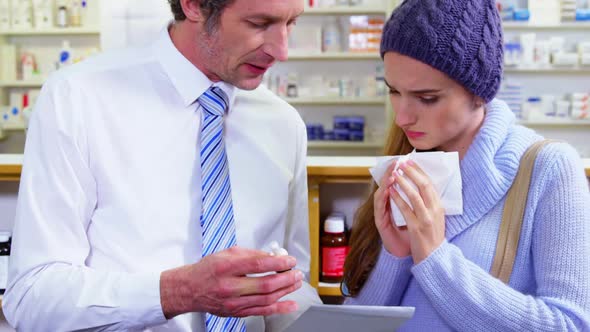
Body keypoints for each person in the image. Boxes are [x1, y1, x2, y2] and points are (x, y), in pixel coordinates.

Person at [2, 0, 321, 330]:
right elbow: (32, 296)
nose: (281, 50)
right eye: (259, 23)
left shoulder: (283, 125)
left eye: (291, 22)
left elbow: (291, 290)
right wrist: (179, 292)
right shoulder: (78, 99)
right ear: (195, 6)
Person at [343, 0, 590, 331]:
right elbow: (357, 325)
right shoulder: (404, 164)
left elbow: (569, 325)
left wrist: (434, 258)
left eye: (427, 98)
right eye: (393, 91)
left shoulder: (549, 168)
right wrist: (395, 256)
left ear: (479, 92)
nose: (401, 117)